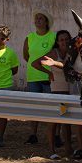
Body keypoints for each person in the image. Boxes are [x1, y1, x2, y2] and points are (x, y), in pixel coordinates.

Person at [38, 30, 82, 160]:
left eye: (66, 39)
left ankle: (68, 149)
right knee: (54, 121)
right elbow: (35, 63)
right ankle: (52, 150)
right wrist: (48, 72)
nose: (64, 42)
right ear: (57, 42)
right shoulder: (54, 53)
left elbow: (68, 66)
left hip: (70, 91)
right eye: (61, 40)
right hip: (57, 92)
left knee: (68, 121)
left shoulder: (72, 52)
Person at [24, 10, 56, 145]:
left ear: (46, 22)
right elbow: (26, 56)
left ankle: (55, 135)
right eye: (36, 18)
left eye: (41, 18)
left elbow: (55, 54)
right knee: (34, 106)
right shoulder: (29, 37)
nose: (38, 20)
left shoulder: (53, 36)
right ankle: (33, 134)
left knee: (52, 107)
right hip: (33, 76)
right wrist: (34, 66)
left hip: (50, 77)